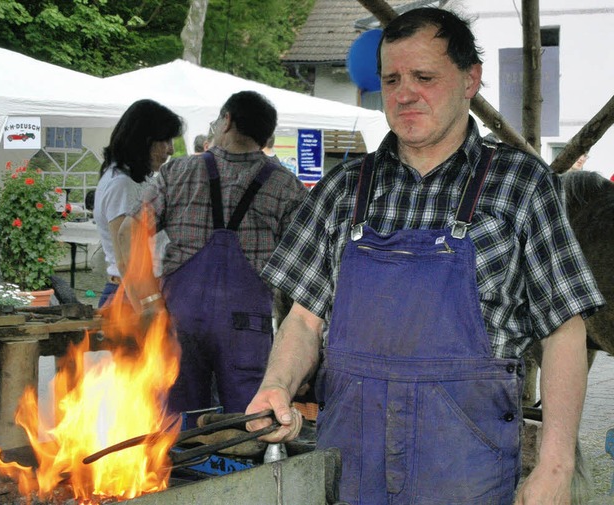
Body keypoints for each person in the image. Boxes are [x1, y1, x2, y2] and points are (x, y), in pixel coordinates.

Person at [245, 8, 605, 505]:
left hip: (466, 472)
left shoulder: (522, 186)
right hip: (351, 468)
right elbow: (304, 320)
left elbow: (564, 329)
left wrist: (557, 465)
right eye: (391, 79)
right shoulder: (341, 190)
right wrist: (276, 385)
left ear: (469, 80)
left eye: (424, 77)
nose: (404, 93)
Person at [118, 90, 308, 418]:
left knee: (177, 425)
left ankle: (181, 470)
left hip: (179, 320)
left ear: (227, 121)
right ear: (267, 134)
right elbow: (299, 273)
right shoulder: (286, 187)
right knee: (249, 422)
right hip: (247, 327)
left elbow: (128, 233)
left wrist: (146, 302)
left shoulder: (176, 173)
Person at [94, 99, 183, 308]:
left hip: (132, 293)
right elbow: (126, 257)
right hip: (131, 296)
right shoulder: (122, 185)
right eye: (165, 141)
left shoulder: (127, 179)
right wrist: (148, 306)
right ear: (144, 141)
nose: (170, 150)